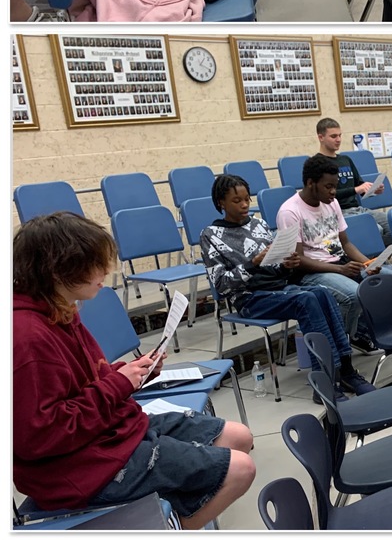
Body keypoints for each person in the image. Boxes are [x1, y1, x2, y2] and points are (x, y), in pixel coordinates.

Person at [13, 212, 255, 528]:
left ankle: (168, 518)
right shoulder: (26, 337)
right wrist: (117, 385)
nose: (106, 271)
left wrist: (130, 373)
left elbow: (83, 384)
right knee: (240, 470)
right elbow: (41, 437)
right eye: (94, 264)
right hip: (75, 468)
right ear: (58, 271)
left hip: (108, 432)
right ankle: (167, 527)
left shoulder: (60, 310)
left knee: (239, 436)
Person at [199, 174, 374, 394]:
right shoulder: (210, 235)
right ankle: (325, 383)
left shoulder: (258, 224)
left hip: (278, 288)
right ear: (220, 203)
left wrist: (286, 265)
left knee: (323, 294)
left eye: (247, 199)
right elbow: (222, 285)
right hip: (250, 298)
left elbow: (275, 266)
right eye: (236, 201)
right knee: (307, 300)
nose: (244, 205)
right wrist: (252, 264)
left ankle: (346, 370)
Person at [276, 154, 380, 341]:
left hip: (338, 263)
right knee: (352, 295)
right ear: (310, 183)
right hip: (310, 273)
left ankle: (360, 332)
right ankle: (342, 343)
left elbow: (345, 243)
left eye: (335, 186)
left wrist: (368, 263)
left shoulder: (332, 203)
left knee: (386, 280)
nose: (334, 192)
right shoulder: (289, 212)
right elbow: (298, 261)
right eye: (328, 186)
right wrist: (340, 269)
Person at [316, 117, 392, 243]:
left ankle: (377, 258)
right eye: (333, 136)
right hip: (337, 213)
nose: (338, 140)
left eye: (340, 135)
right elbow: (324, 196)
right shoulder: (318, 163)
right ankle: (366, 260)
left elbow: (359, 185)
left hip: (357, 209)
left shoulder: (345, 159)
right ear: (321, 137)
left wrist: (372, 189)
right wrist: (356, 189)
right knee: (376, 229)